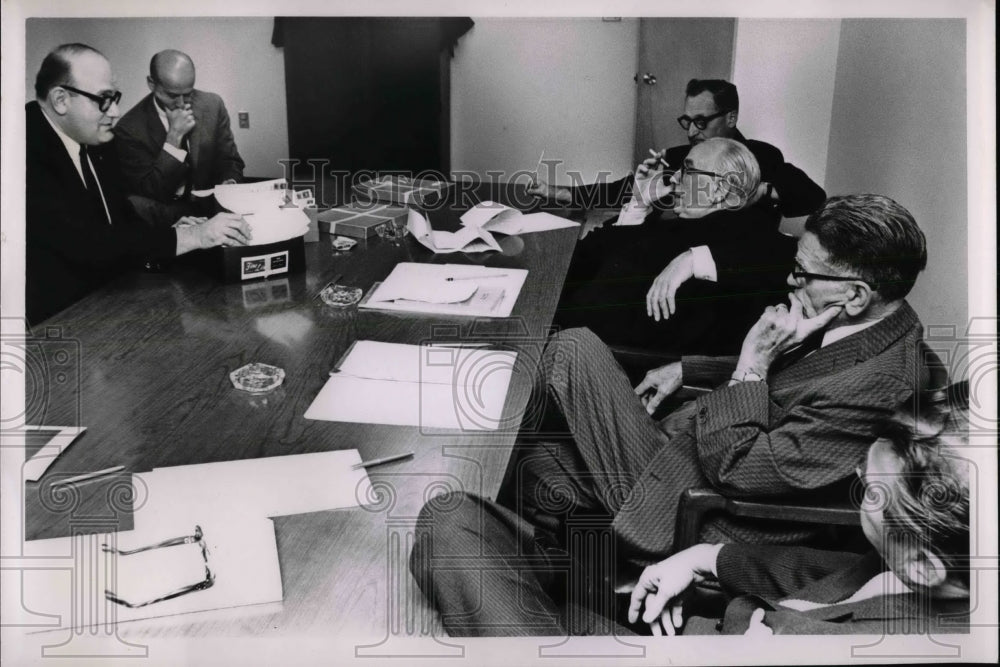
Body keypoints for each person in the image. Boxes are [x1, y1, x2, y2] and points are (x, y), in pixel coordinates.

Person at [410, 194, 944, 636]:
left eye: (803, 275)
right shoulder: (871, 322)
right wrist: (686, 368)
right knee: (536, 464)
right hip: (687, 445)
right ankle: (585, 577)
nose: (791, 284)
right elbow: (793, 384)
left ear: (855, 294)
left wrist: (753, 364)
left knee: (571, 347)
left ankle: (563, 556)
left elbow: (740, 469)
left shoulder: (880, 384)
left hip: (701, 505)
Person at [628, 393, 969, 635]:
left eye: (870, 489)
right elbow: (834, 575)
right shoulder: (930, 574)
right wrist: (707, 558)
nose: (857, 473)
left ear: (923, 566)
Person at [26, 43, 251, 325]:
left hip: (114, 298)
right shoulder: (22, 148)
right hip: (60, 320)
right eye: (104, 99)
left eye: (115, 97)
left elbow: (120, 217)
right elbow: (86, 242)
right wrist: (194, 236)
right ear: (60, 100)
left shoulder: (96, 140)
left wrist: (171, 230)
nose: (116, 111)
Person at [556, 137, 796, 353]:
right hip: (580, 331)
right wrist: (639, 202)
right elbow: (587, 259)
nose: (674, 177)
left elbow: (785, 250)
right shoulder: (679, 225)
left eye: (688, 170)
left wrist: (694, 258)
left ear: (720, 189)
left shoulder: (737, 238)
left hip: (594, 352)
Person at [529, 78, 826, 218]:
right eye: (687, 121)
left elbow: (813, 199)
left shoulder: (763, 156)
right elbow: (623, 189)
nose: (692, 132)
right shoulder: (677, 157)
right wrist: (561, 193)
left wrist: (758, 191)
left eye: (701, 121)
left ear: (731, 118)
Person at [114, 49, 245, 225]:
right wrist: (174, 138)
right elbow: (151, 192)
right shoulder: (129, 129)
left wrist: (230, 183)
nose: (182, 103)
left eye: (188, 93)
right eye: (172, 95)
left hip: (214, 207)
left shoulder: (213, 105)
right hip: (167, 216)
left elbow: (230, 160)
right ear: (151, 83)